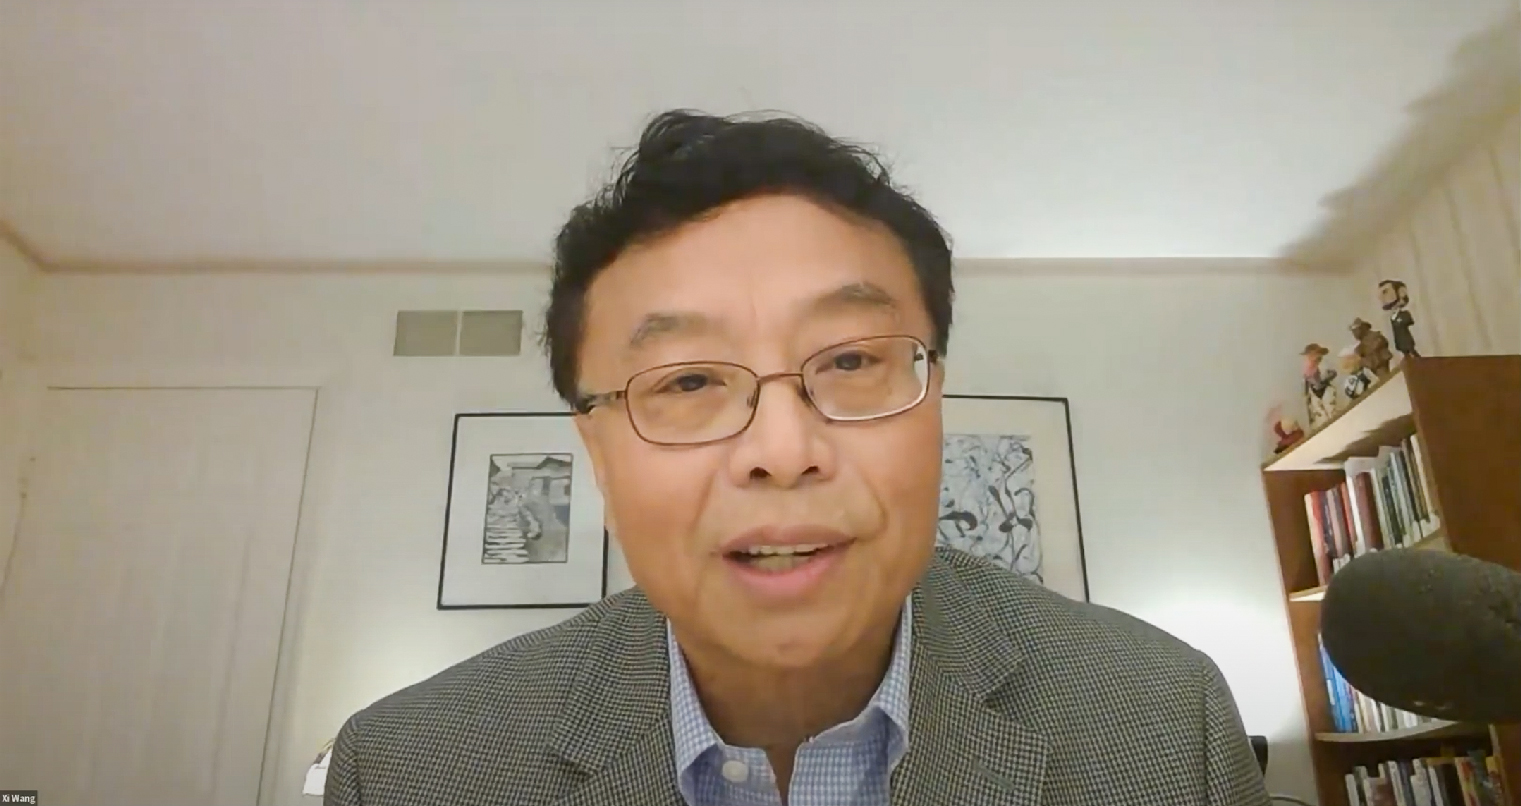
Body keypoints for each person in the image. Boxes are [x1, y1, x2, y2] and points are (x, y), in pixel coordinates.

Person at [325, 111, 1270, 806]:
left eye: (851, 362)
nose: (782, 451)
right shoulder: (409, 770)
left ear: (934, 400)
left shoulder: (1161, 723)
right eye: (688, 380)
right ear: (597, 453)